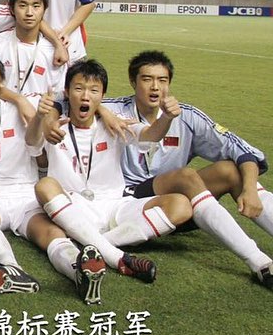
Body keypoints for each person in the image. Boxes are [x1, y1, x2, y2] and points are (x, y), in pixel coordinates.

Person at [0, 53, 108, 302]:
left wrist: (24, 103)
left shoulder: (22, 108)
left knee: (51, 233)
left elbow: (68, 99)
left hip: (24, 193)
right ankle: (12, 269)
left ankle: (79, 272)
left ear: (2, 82)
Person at [104, 50, 273, 288]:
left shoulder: (187, 116)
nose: (155, 87)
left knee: (231, 171)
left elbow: (242, 150)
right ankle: (260, 263)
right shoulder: (113, 110)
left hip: (179, 204)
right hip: (128, 201)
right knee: (186, 176)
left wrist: (250, 189)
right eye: (147, 79)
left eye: (162, 80)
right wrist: (101, 111)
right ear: (133, 82)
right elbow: (72, 101)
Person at [31, 59, 185, 297]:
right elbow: (32, 143)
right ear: (67, 92)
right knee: (45, 186)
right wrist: (42, 120)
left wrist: (166, 118)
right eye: (79, 89)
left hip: (114, 206)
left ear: (102, 96)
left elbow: (150, 135)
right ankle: (118, 257)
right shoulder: (54, 126)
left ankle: (95, 242)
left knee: (181, 205)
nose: (85, 96)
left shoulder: (115, 124)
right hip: (73, 205)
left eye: (94, 91)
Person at [0, 0, 66, 97]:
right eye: (22, 5)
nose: (29, 13)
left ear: (44, 10)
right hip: (0, 108)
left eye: (36, 6)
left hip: (40, 109)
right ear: (12, 9)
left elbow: (59, 93)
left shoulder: (54, 52)